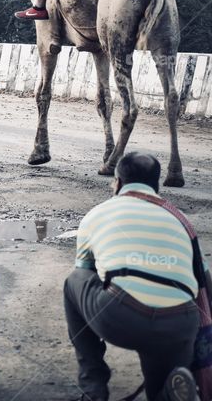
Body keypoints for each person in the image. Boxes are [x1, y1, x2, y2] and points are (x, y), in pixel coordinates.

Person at [64, 151, 201, 401]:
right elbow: (203, 281)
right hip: (181, 323)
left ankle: (93, 385)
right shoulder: (180, 220)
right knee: (160, 386)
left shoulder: (96, 215)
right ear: (156, 185)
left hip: (123, 316)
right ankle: (169, 392)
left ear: (117, 183)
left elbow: (85, 272)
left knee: (73, 282)